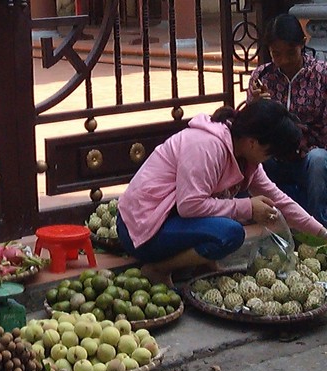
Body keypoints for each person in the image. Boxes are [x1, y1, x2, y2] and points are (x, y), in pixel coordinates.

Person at [115, 100, 327, 286]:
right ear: (253, 142)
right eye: (268, 153)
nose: (267, 159)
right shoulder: (206, 146)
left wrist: (322, 234)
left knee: (225, 223)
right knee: (230, 233)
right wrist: (247, 208)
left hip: (169, 220)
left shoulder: (245, 157)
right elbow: (190, 206)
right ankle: (159, 269)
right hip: (141, 229)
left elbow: (279, 200)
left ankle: (203, 266)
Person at [247, 13, 327, 226]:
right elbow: (249, 132)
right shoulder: (261, 78)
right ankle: (269, 230)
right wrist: (256, 106)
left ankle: (318, 231)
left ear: (302, 44)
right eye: (276, 54)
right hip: (274, 155)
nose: (284, 61)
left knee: (319, 160)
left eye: (291, 53)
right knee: (252, 161)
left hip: (310, 156)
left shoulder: (321, 75)